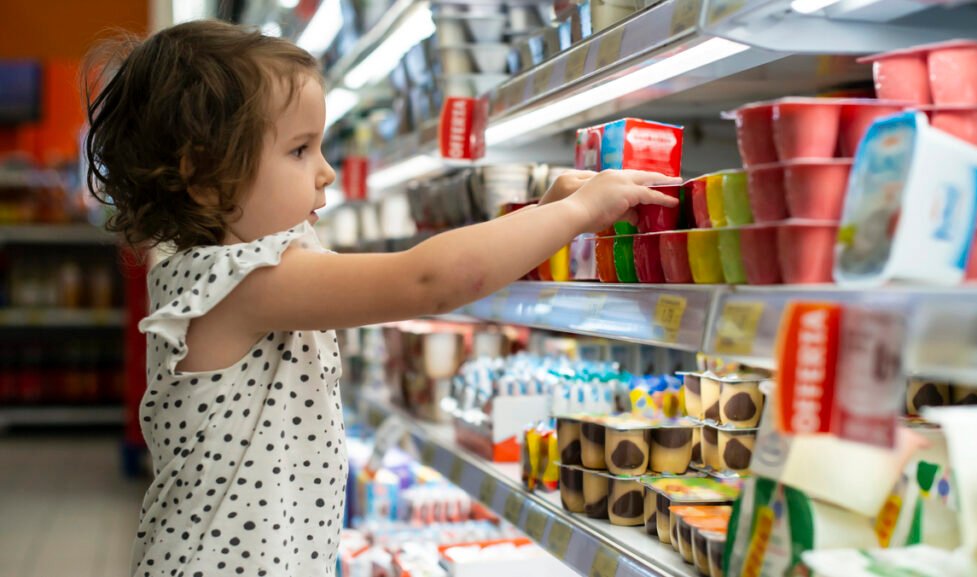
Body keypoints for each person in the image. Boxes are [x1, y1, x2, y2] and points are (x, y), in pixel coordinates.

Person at [83, 19, 678, 577]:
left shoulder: (251, 269)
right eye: (299, 150)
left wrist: (546, 212)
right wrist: (576, 213)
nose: (326, 173)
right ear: (204, 175)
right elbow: (428, 280)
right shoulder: (239, 283)